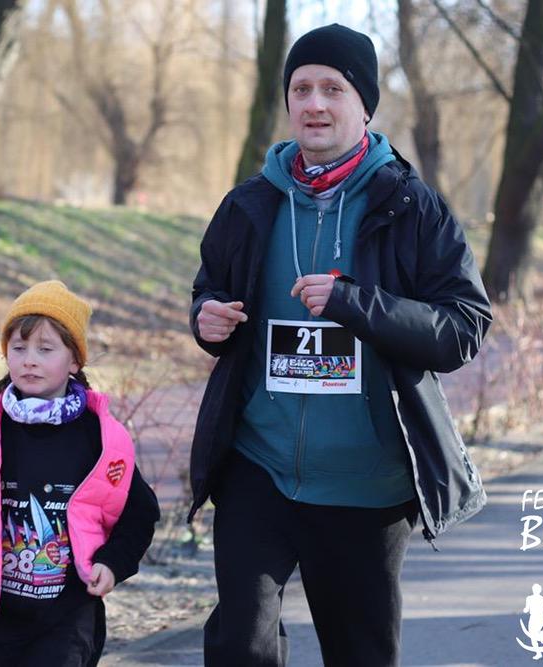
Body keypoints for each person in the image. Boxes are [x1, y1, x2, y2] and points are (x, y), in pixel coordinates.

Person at [188, 24, 492, 666]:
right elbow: (209, 287)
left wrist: (356, 303)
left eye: (333, 89)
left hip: (366, 484)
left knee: (360, 655)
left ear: (365, 105)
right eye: (301, 89)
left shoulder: (412, 207)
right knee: (239, 645)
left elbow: (463, 326)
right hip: (259, 468)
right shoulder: (249, 204)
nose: (315, 104)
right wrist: (205, 318)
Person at [0, 280, 160, 666]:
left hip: (68, 617)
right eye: (18, 348)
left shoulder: (100, 439)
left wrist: (112, 563)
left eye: (45, 349)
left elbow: (140, 513)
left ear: (74, 361)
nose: (29, 360)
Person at [524, 584, 543, 660]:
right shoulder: (532, 598)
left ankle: (541, 635)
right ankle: (539, 651)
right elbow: (527, 608)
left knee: (533, 636)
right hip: (536, 617)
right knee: (532, 635)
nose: (535, 590)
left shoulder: (533, 598)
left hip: (537, 617)